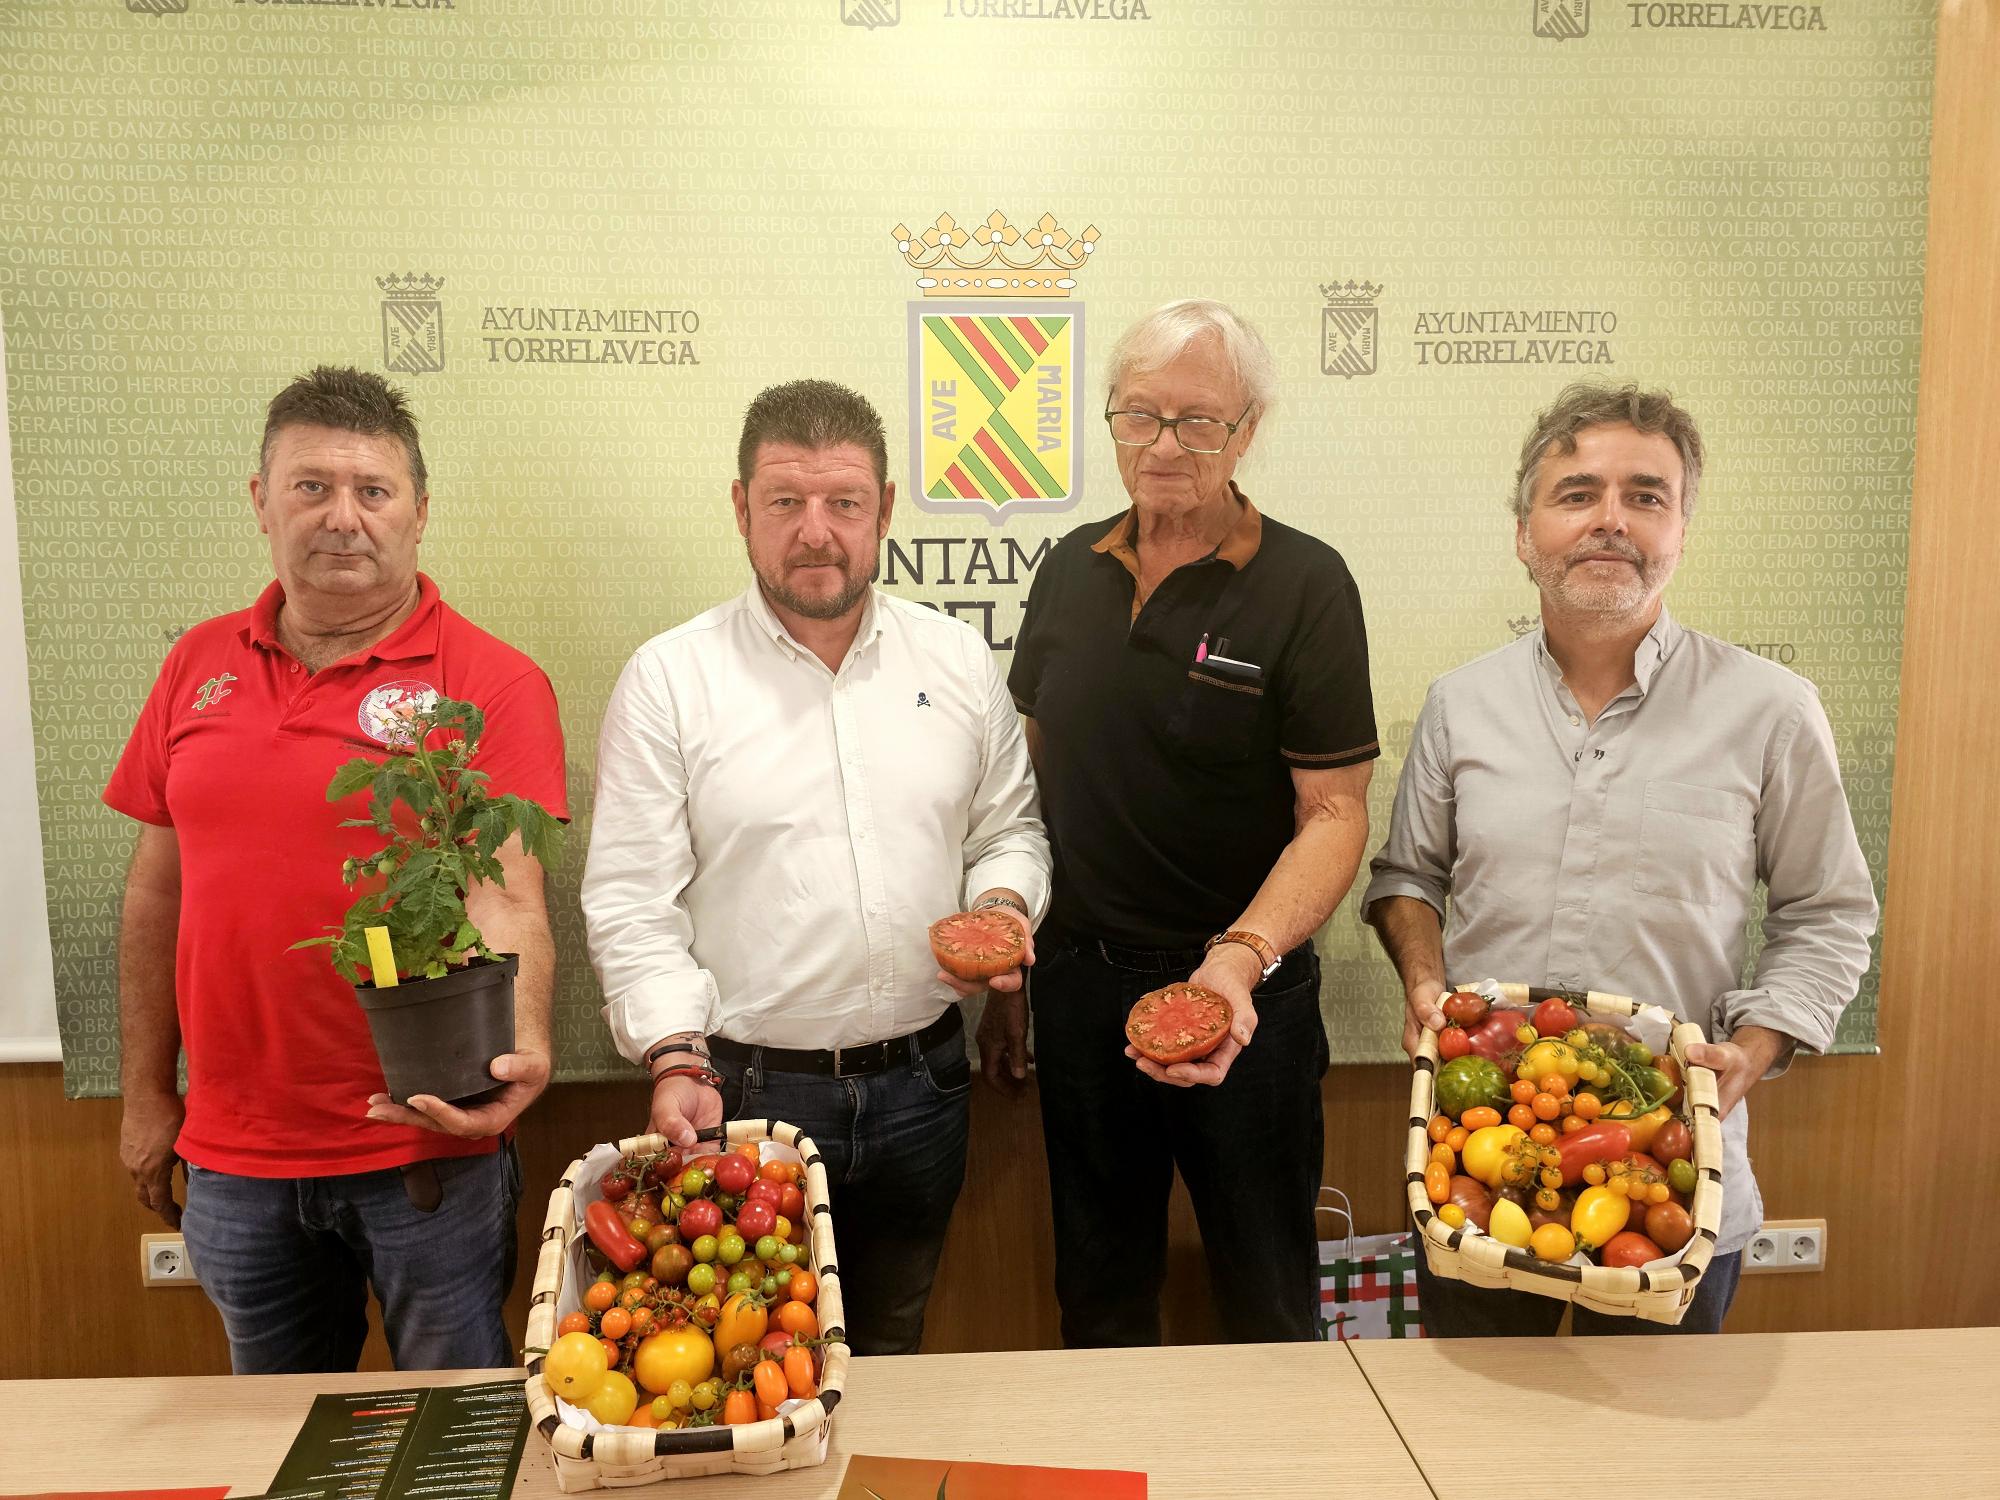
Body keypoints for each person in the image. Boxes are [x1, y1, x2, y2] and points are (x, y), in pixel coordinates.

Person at [1363, 381, 1879, 1336]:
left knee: (1652, 1467)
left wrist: (1756, 1049)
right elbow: (1407, 876)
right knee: (1475, 1450)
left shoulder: (1771, 709)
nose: (1611, 520)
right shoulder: (1458, 704)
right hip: (1479, 1161)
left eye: (1646, 496)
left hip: (1672, 1180)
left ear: (1682, 528)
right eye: (1576, 494)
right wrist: (1426, 982)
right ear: (1525, 533)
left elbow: (1830, 912)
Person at [107, 365, 567, 1373]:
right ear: (261, 501)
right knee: (273, 1443)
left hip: (423, 1147)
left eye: (373, 490)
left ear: (418, 513)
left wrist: (519, 1043)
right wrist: (146, 1093)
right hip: (233, 1157)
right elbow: (157, 890)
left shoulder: (489, 681)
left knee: (455, 1434)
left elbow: (504, 891)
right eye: (311, 486)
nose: (342, 517)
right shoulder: (195, 664)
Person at [582, 378, 1049, 1356]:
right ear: (740, 508)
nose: (815, 532)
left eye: (843, 503)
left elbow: (1009, 830)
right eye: (784, 502)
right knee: (749, 1367)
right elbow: (632, 898)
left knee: (892, 1347)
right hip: (744, 1100)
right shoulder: (671, 677)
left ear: (883, 509)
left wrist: (999, 908)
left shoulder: (955, 661)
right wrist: (672, 1053)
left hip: (925, 1083)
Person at [987, 299, 1378, 1346]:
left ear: (1247, 430)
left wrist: (1238, 962)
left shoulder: (1305, 583)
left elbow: (1335, 812)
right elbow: (1024, 783)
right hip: (1077, 992)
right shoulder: (1068, 567)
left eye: (1198, 422)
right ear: (1109, 421)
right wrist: (1011, 976)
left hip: (1245, 996)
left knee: (1264, 1296)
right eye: (1140, 416)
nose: (1164, 446)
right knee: (1098, 1295)